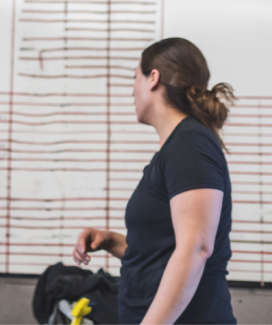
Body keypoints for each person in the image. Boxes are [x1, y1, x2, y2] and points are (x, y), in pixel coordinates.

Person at [73, 37, 237, 325]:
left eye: (135, 77)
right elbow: (162, 254)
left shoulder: (190, 143)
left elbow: (196, 249)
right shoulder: (179, 146)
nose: (131, 91)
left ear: (153, 78)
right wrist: (111, 240)